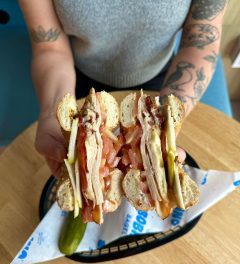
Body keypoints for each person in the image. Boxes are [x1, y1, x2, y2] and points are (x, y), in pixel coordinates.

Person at [19, 0, 227, 178]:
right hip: (74, 78)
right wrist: (52, 113)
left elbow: (201, 41)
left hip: (163, 80)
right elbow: (49, 47)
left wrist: (164, 126)